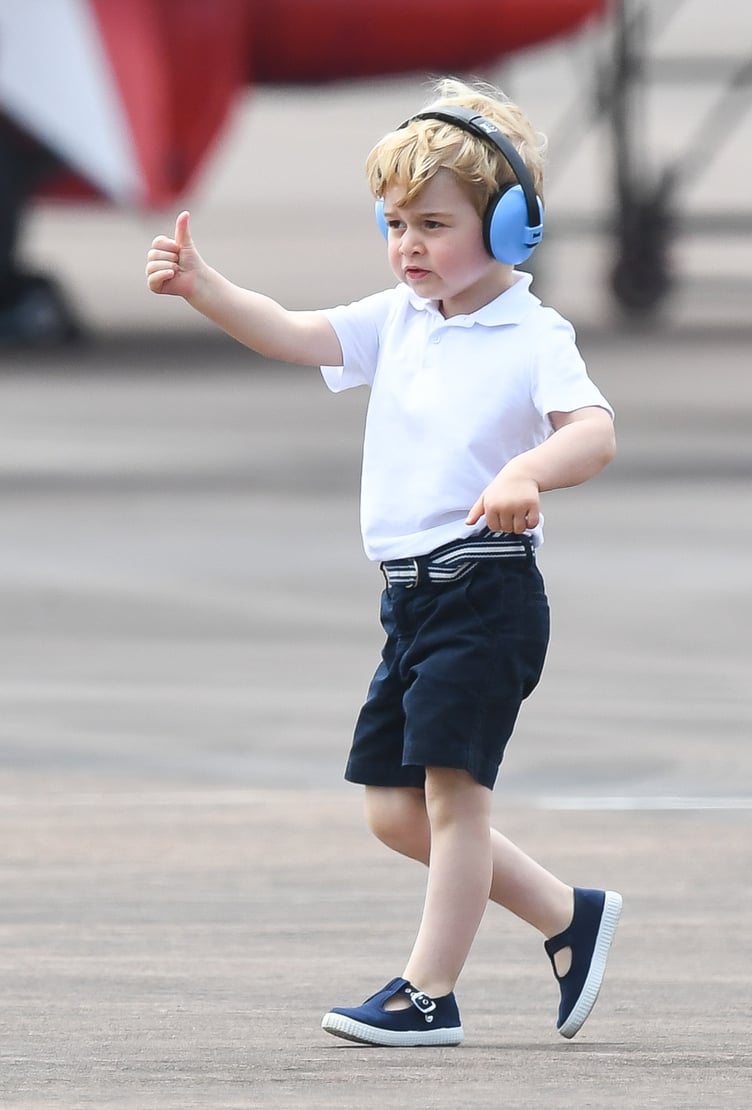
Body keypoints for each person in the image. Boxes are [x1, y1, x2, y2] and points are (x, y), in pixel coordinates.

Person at [146, 77, 622, 1048]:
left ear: (514, 228)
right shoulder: (400, 319)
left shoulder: (533, 335)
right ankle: (570, 915)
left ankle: (428, 993)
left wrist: (531, 469)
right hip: (409, 600)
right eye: (395, 223)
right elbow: (291, 331)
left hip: (486, 589)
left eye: (433, 224)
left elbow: (597, 432)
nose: (409, 245)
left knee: (452, 800)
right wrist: (206, 288)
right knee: (394, 812)